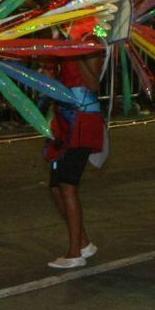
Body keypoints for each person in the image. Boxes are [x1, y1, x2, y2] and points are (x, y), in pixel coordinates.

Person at [45, 37, 107, 269]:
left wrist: (77, 52)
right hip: (62, 119)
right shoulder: (59, 41)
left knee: (68, 184)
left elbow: (92, 84)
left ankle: (74, 252)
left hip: (83, 118)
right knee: (55, 186)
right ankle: (84, 242)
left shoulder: (91, 43)